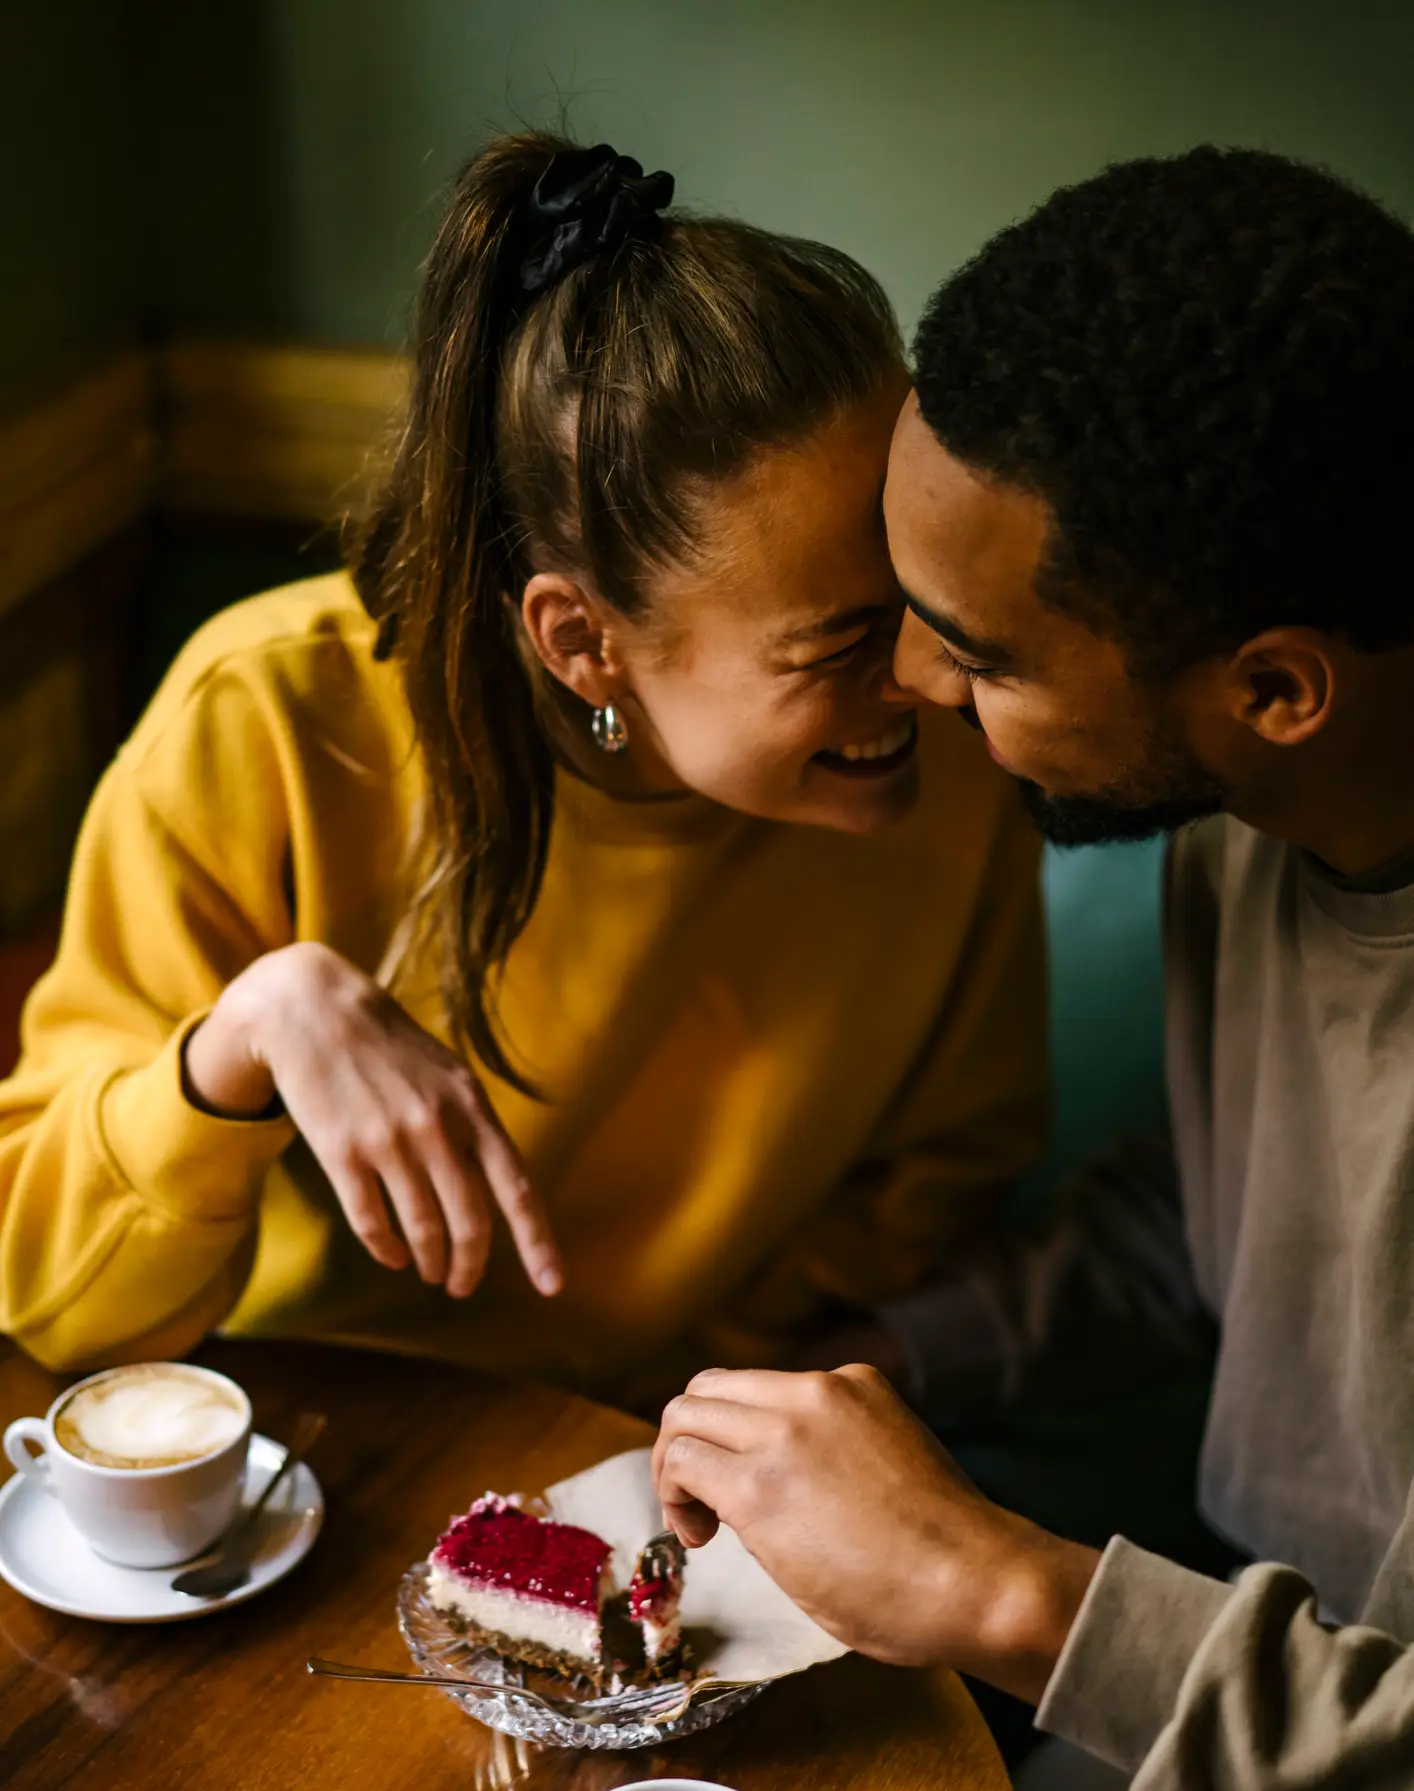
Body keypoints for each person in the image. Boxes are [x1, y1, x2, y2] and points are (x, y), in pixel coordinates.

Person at [655, 147, 1414, 1791]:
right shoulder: (1243, 831)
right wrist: (902, 1363)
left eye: (973, 655)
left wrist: (999, 1587)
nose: (901, 684)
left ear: (1267, 688)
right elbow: (1224, 1222)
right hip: (1228, 1704)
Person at [0, 133, 1044, 1406]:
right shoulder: (267, 721)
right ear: (582, 642)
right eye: (839, 641)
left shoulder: (959, 741)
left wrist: (690, 1390)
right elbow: (56, 1300)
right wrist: (246, 1036)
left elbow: (944, 1175)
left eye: (922, 600)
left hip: (675, 1446)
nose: (933, 674)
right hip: (300, 1425)